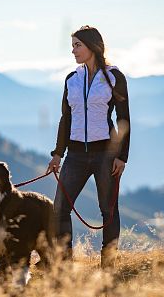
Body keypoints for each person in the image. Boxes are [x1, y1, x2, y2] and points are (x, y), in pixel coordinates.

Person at [46, 25, 130, 268]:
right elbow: (66, 118)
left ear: (92, 46)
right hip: (75, 155)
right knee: (60, 208)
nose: (73, 51)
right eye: (72, 45)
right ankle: (64, 265)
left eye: (77, 45)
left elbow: (123, 118)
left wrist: (122, 156)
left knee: (108, 210)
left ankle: (108, 267)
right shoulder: (72, 79)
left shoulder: (114, 77)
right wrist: (57, 154)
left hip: (106, 154)